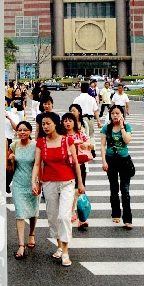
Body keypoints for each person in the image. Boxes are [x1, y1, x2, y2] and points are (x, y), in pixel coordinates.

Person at [32, 111, 85, 266]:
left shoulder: (67, 140)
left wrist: (80, 183)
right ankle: (59, 246)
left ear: (55, 124)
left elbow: (76, 163)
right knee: (53, 217)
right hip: (49, 183)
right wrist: (34, 182)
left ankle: (66, 251)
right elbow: (37, 164)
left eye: (48, 123)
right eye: (43, 124)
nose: (45, 126)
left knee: (64, 217)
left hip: (67, 182)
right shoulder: (41, 142)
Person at [7, 121, 40, 259]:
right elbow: (9, 168)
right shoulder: (13, 146)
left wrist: (38, 184)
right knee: (20, 213)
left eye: (25, 130)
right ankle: (21, 244)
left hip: (33, 183)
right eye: (19, 130)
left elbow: (39, 165)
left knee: (33, 211)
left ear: (30, 131)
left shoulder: (36, 146)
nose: (22, 132)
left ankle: (31, 233)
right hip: (18, 183)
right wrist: (10, 160)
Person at [100, 105, 133, 229]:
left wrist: (122, 126)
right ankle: (115, 214)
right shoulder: (106, 128)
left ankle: (127, 218)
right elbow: (102, 145)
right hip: (111, 160)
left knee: (125, 190)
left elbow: (127, 140)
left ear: (122, 115)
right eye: (113, 113)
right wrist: (104, 161)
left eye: (117, 113)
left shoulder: (127, 127)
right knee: (114, 188)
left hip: (124, 160)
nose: (115, 115)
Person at [62, 111, 91, 229]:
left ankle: (81, 217)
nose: (68, 123)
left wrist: (85, 144)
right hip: (66, 165)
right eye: (65, 121)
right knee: (68, 190)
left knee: (79, 190)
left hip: (80, 164)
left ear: (74, 122)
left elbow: (90, 143)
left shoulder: (80, 133)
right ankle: (72, 212)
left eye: (70, 121)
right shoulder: (61, 135)